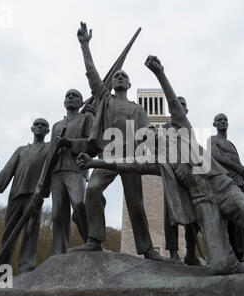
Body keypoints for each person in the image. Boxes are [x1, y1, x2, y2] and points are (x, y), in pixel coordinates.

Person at [75, 55, 244, 278]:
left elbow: (173, 104)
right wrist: (95, 161)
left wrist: (159, 72)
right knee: (220, 266)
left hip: (223, 187)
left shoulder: (182, 131)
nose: (151, 137)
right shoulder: (159, 161)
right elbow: (127, 165)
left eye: (152, 133)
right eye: (147, 138)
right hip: (204, 203)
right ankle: (234, 260)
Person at [70, 22, 163, 261]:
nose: (119, 77)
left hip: (130, 157)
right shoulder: (105, 100)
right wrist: (84, 46)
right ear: (112, 83)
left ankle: (148, 250)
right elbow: (92, 74)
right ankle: (94, 239)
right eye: (117, 76)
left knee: (136, 202)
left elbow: (148, 136)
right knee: (92, 190)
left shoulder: (138, 109)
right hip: (108, 155)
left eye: (124, 76)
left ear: (129, 85)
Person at [0, 118, 50, 273]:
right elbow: (8, 170)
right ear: (32, 129)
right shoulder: (21, 150)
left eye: (43, 125)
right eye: (37, 124)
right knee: (9, 232)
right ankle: (2, 270)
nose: (40, 126)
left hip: (35, 194)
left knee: (30, 231)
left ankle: (26, 267)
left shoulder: (50, 147)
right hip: (16, 193)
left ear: (48, 131)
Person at [209, 113, 244, 262]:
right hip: (225, 186)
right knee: (231, 223)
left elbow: (241, 168)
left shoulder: (231, 144)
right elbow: (215, 156)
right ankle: (235, 255)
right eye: (219, 120)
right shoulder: (212, 140)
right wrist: (236, 166)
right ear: (214, 124)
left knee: (243, 223)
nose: (223, 122)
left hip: (239, 185)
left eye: (225, 120)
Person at [50, 88, 93, 255]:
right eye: (67, 96)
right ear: (64, 102)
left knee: (80, 204)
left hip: (76, 169)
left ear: (81, 102)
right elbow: (50, 154)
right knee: (57, 215)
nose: (70, 98)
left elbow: (92, 144)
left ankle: (91, 241)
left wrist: (69, 143)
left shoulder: (86, 119)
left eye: (74, 96)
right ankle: (59, 254)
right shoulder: (57, 126)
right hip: (56, 172)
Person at [162, 97, 200, 266]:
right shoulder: (164, 129)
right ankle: (173, 253)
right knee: (170, 216)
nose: (179, 108)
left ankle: (191, 253)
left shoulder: (189, 130)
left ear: (186, 110)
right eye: (177, 105)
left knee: (193, 219)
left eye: (183, 105)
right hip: (171, 176)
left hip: (189, 178)